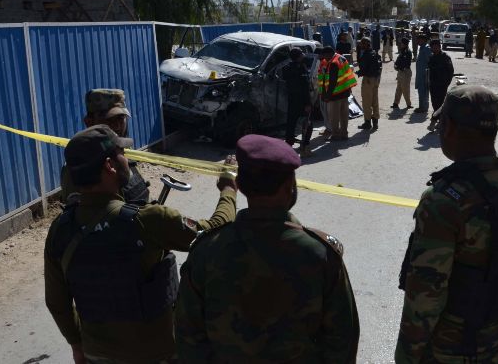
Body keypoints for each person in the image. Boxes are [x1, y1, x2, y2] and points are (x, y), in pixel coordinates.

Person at [45, 125, 238, 364]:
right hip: (157, 355)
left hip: (97, 355)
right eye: (122, 154)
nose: (127, 159)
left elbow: (56, 301)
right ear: (109, 165)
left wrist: (77, 345)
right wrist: (228, 187)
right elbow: (214, 230)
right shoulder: (147, 219)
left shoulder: (60, 229)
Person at [175, 134, 360, 363]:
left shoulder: (206, 252)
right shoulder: (320, 255)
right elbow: (342, 341)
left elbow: (188, 338)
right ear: (290, 186)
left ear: (240, 186)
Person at [396, 85, 498, 364]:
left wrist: (406, 356)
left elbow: (426, 297)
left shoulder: (444, 201)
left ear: (449, 126)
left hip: (452, 351)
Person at [61, 89, 150, 206]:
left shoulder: (120, 151)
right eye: (109, 120)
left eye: (120, 118)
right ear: (89, 122)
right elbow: (85, 217)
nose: (117, 125)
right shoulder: (80, 166)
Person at [320, 45, 357, 141]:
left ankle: (335, 135)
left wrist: (327, 95)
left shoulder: (333, 63)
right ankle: (344, 134)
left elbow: (332, 81)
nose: (324, 58)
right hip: (344, 92)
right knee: (344, 115)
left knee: (334, 117)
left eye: (324, 55)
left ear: (329, 54)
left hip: (335, 95)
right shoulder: (341, 58)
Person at [282, 48, 313, 157]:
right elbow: (305, 88)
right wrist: (308, 103)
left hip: (291, 99)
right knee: (308, 123)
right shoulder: (301, 69)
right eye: (301, 55)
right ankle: (305, 146)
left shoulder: (286, 68)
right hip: (302, 101)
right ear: (299, 57)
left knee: (291, 123)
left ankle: (288, 145)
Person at [426, 38, 455, 131]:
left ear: (439, 47)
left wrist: (446, 83)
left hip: (442, 85)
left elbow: (450, 71)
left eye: (436, 47)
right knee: (435, 103)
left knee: (440, 103)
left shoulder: (445, 57)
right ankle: (441, 121)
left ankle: (433, 122)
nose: (434, 49)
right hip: (433, 85)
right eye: (432, 47)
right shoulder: (431, 57)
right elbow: (429, 71)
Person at [356, 37, 382, 131]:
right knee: (375, 101)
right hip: (375, 79)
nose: (360, 45)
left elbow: (363, 69)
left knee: (367, 102)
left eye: (362, 44)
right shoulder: (375, 53)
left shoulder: (366, 55)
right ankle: (375, 122)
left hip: (368, 80)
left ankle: (367, 122)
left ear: (366, 44)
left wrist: (358, 73)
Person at [314, 47, 333, 139]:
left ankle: (330, 129)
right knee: (324, 111)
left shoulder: (326, 63)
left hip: (326, 92)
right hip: (321, 90)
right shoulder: (320, 62)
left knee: (327, 111)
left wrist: (326, 94)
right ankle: (328, 128)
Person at [391, 37, 413, 110]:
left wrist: (398, 66)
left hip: (405, 72)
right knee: (399, 88)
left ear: (404, 44)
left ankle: (408, 104)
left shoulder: (407, 52)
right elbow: (398, 60)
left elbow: (405, 63)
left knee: (405, 89)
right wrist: (396, 65)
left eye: (401, 43)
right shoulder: (402, 51)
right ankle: (395, 103)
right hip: (401, 72)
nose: (400, 44)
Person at [414, 35, 431, 113]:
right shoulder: (422, 48)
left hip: (425, 74)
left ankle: (424, 108)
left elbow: (430, 61)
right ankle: (421, 107)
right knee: (421, 91)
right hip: (420, 74)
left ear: (423, 40)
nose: (417, 41)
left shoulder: (426, 49)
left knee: (424, 91)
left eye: (419, 40)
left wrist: (427, 73)